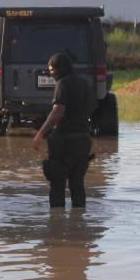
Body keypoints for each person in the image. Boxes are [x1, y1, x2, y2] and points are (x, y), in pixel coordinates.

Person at [32, 52, 94, 209]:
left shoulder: (62, 84)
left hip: (65, 142)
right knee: (77, 183)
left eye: (51, 69)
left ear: (60, 69)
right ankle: (79, 224)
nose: (50, 73)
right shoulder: (84, 83)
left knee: (57, 184)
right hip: (83, 140)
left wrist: (40, 133)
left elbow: (57, 112)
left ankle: (56, 226)